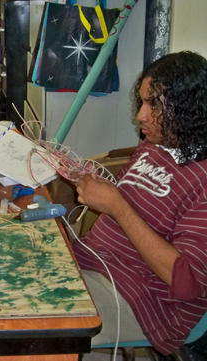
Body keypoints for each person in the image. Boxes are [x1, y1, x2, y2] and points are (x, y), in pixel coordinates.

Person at [73, 51, 207, 356]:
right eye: (143, 101)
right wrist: (98, 187)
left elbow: (185, 281)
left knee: (31, 318)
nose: (140, 116)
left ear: (188, 109)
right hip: (95, 263)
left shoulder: (203, 180)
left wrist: (117, 206)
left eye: (154, 105)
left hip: (145, 300)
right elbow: (139, 202)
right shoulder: (156, 144)